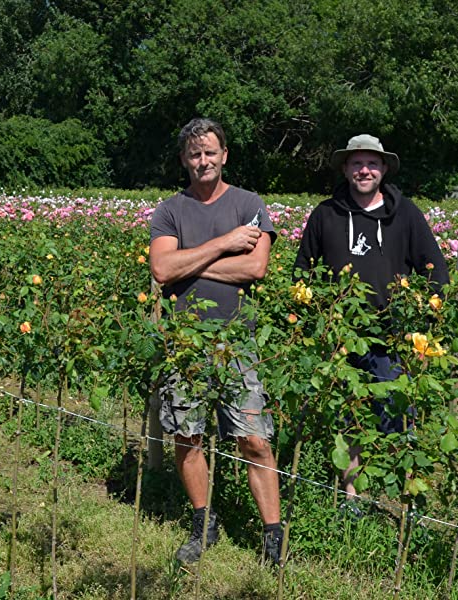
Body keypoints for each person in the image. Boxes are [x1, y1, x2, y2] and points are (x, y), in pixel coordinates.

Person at [149, 118, 283, 565]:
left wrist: (189, 262)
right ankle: (203, 521)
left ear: (224, 155)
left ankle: (272, 534)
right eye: (194, 154)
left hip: (237, 340)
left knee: (254, 439)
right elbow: (162, 271)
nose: (202, 161)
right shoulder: (170, 210)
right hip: (184, 341)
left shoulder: (250, 204)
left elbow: (255, 269)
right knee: (188, 435)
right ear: (184, 160)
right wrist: (225, 243)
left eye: (210, 152)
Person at [292, 134, 448, 505]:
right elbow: (303, 270)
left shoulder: (405, 213)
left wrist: (423, 323)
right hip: (340, 335)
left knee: (398, 418)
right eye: (357, 164)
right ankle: (352, 498)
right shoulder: (326, 214)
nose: (364, 170)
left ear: (384, 169)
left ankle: (407, 501)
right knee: (347, 417)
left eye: (372, 164)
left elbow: (436, 270)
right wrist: (312, 315)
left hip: (392, 337)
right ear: (345, 169)